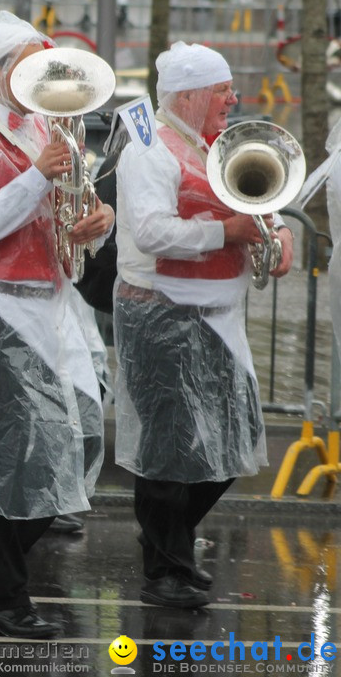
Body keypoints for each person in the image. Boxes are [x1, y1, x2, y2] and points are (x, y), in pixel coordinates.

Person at [0, 11, 111, 638]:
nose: (43, 76)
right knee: (11, 458)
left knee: (83, 438)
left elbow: (72, 213)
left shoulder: (48, 126)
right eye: (27, 65)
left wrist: (98, 220)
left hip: (51, 303)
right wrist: (39, 172)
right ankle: (5, 601)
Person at [114, 41, 293, 610]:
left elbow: (268, 202)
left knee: (231, 443)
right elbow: (150, 232)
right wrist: (228, 235)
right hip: (162, 312)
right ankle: (164, 568)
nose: (232, 98)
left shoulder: (221, 143)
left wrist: (279, 233)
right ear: (187, 95)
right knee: (170, 450)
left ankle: (170, 542)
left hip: (217, 315)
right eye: (222, 89)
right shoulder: (150, 148)